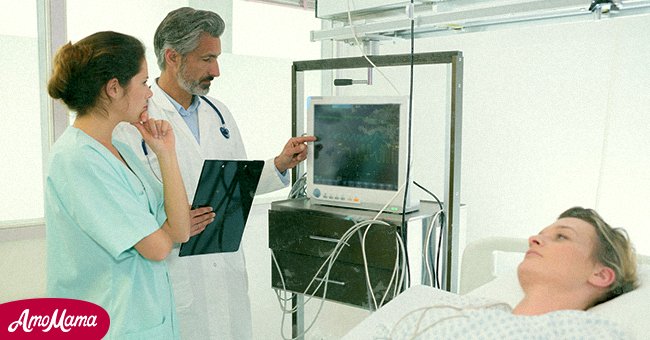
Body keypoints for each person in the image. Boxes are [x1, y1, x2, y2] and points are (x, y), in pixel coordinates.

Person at [112, 7, 316, 339]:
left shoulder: (219, 114)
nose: (216, 70)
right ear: (173, 57)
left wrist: (279, 163)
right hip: (177, 269)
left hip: (225, 265)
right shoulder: (135, 122)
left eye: (217, 58)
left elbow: (236, 181)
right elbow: (131, 208)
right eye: (207, 59)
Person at [45, 31, 190, 339]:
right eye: (144, 83)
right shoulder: (78, 159)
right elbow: (158, 247)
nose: (150, 93)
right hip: (110, 324)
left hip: (144, 321)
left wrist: (166, 153)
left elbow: (180, 231)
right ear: (113, 88)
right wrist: (160, 233)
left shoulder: (119, 149)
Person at [384, 206, 638, 339]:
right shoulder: (455, 310)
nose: (534, 239)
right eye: (540, 233)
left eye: (561, 237)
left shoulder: (590, 332)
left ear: (601, 275)